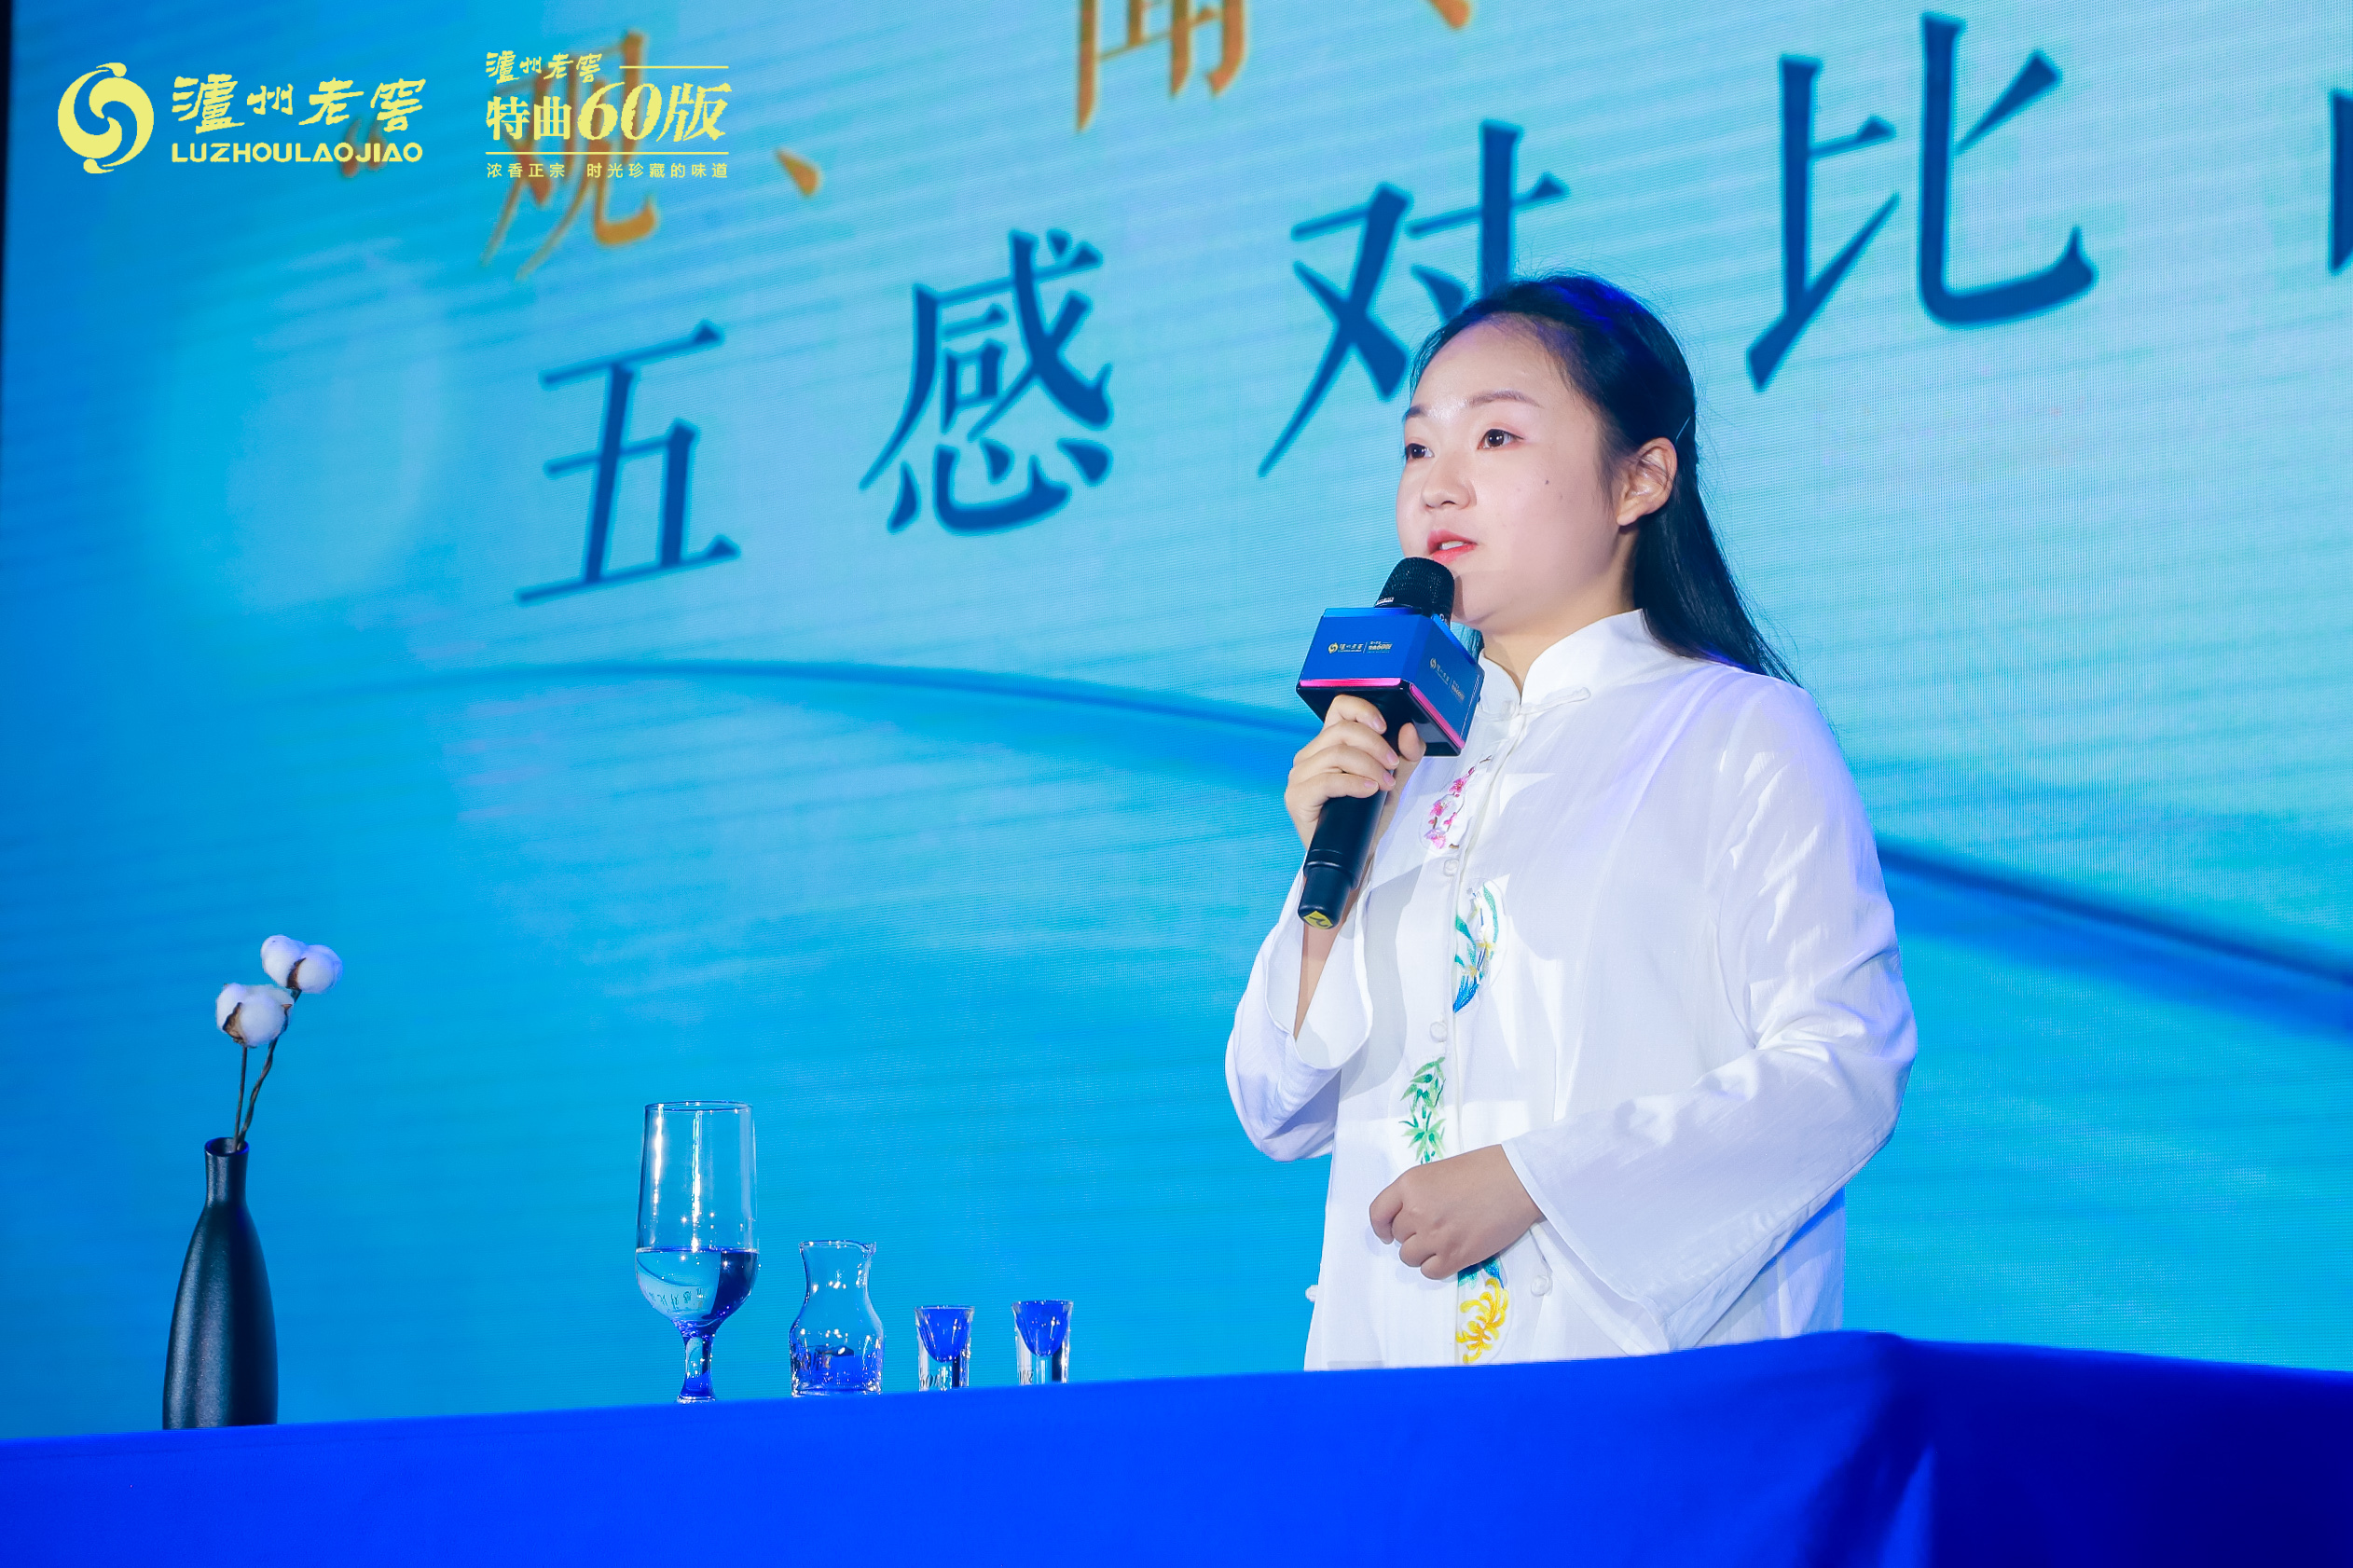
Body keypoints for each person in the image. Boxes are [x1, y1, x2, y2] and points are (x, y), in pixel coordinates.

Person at [1225, 274, 1916, 1369]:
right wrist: (1329, 886)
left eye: (1495, 438)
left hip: (1637, 1388)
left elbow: (1842, 1064)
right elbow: (1276, 1105)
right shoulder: (1403, 759)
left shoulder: (1738, 729)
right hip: (1393, 1392)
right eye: (1416, 448)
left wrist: (1535, 1181)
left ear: (1640, 479)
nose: (1438, 486)